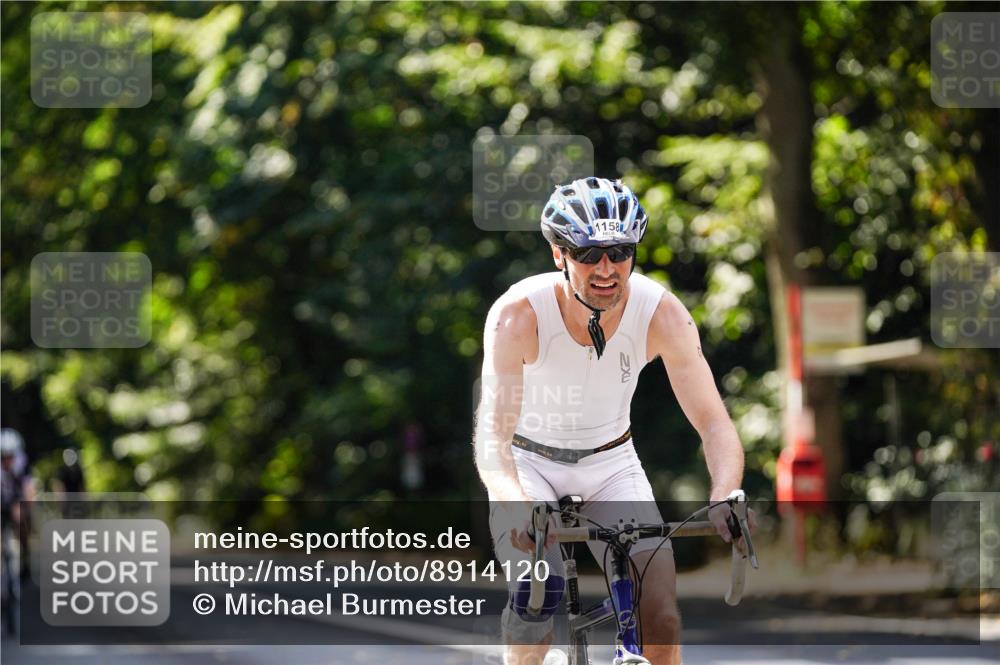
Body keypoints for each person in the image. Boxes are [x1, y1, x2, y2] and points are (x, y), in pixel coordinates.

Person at [473, 177, 753, 665]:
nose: (606, 269)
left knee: (660, 614)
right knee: (538, 597)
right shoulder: (518, 315)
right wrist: (514, 503)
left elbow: (714, 423)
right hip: (529, 463)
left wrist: (724, 494)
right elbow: (493, 436)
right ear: (559, 254)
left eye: (620, 251)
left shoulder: (661, 313)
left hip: (612, 466)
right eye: (588, 254)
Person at [1, 428, 34, 581]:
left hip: (16, 499)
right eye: (3, 457)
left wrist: (24, 507)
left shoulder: (23, 464)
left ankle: (25, 558)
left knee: (23, 522)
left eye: (10, 456)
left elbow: (28, 490)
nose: (7, 461)